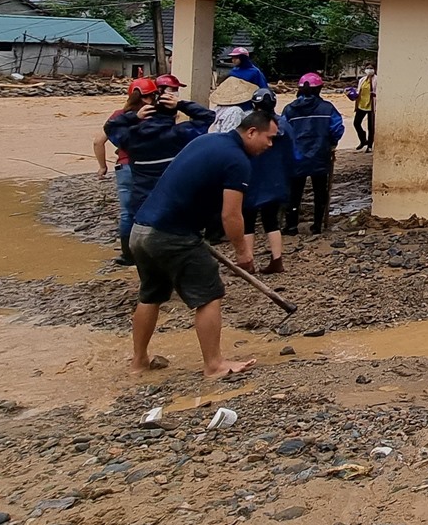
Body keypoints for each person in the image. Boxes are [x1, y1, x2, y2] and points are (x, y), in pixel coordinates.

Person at [128, 107, 279, 378]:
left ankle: (139, 362)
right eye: (269, 138)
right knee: (209, 294)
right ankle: (214, 365)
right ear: (251, 131)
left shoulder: (207, 140)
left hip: (141, 230)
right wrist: (243, 253)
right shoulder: (237, 160)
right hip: (171, 234)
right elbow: (231, 215)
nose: (270, 144)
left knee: (150, 294)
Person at [107, 77, 214, 221]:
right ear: (174, 115)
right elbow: (208, 117)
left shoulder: (131, 138)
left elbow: (110, 127)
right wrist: (181, 104)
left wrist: (134, 117)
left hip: (142, 203)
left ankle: (127, 244)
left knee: (130, 221)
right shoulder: (181, 134)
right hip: (171, 204)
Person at [240, 89, 298, 273]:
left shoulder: (249, 127)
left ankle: (247, 263)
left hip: (252, 177)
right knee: (271, 221)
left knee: (248, 221)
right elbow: (294, 153)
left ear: (254, 106)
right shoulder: (284, 126)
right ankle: (277, 260)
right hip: (276, 179)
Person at [97, 78, 153, 265]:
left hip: (124, 167)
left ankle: (128, 255)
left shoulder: (118, 116)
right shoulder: (155, 114)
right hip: (149, 166)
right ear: (149, 97)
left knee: (127, 212)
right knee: (150, 207)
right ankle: (149, 251)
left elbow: (98, 141)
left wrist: (102, 166)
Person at [282, 73, 345, 235]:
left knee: (295, 192)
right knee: (320, 191)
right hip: (320, 155)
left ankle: (291, 226)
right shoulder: (327, 108)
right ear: (320, 89)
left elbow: (282, 131)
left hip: (296, 157)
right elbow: (337, 128)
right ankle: (317, 224)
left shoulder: (289, 110)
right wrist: (332, 143)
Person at [348, 64, 376, 151]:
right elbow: (358, 91)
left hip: (371, 105)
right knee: (356, 123)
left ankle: (370, 145)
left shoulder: (377, 80)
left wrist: (374, 94)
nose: (369, 70)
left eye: (371, 68)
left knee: (371, 127)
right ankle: (363, 140)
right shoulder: (362, 80)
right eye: (367, 68)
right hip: (361, 104)